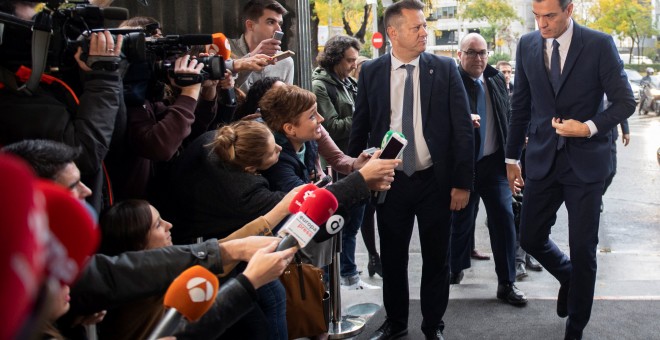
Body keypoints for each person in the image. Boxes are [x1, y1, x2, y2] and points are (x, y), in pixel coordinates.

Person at [505, 0, 636, 338]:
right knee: (530, 236)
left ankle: (575, 326)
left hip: (587, 163)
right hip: (542, 159)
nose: (542, 24)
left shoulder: (598, 44)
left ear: (569, 10)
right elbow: (519, 104)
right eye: (536, 16)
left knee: (583, 248)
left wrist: (588, 126)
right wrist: (510, 159)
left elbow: (625, 101)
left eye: (549, 16)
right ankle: (568, 276)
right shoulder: (527, 44)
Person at [347, 1, 474, 338]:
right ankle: (397, 323)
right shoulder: (372, 72)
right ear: (393, 32)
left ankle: (433, 326)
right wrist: (355, 176)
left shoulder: (445, 69)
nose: (424, 31)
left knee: (437, 258)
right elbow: (361, 126)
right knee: (392, 258)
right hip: (390, 182)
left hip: (435, 179)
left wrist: (462, 183)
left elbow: (462, 129)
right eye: (416, 27)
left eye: (424, 26)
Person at [260, 84, 400, 273]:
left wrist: (357, 165)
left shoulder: (308, 138)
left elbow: (339, 158)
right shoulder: (278, 161)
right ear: (290, 129)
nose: (321, 119)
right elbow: (307, 204)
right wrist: (363, 179)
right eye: (312, 116)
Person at [449, 33, 527, 305]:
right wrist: (459, 123)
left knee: (504, 219)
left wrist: (513, 159)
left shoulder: (495, 79)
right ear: (460, 55)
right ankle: (455, 266)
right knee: (460, 221)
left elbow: (509, 118)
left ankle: (507, 282)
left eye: (482, 52)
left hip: (495, 165)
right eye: (471, 52)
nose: (478, 58)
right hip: (463, 167)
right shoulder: (450, 82)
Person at [312, 35, 377, 289]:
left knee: (354, 222)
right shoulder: (320, 85)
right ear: (335, 58)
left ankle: (349, 274)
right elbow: (332, 126)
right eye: (349, 60)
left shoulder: (347, 82)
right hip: (337, 163)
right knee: (340, 223)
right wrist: (364, 116)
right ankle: (339, 277)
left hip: (354, 158)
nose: (353, 65)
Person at [229, 0, 294, 92]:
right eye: (271, 22)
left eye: (280, 24)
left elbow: (285, 103)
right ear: (250, 25)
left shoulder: (285, 62)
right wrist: (251, 58)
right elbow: (220, 91)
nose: (279, 29)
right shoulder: (227, 49)